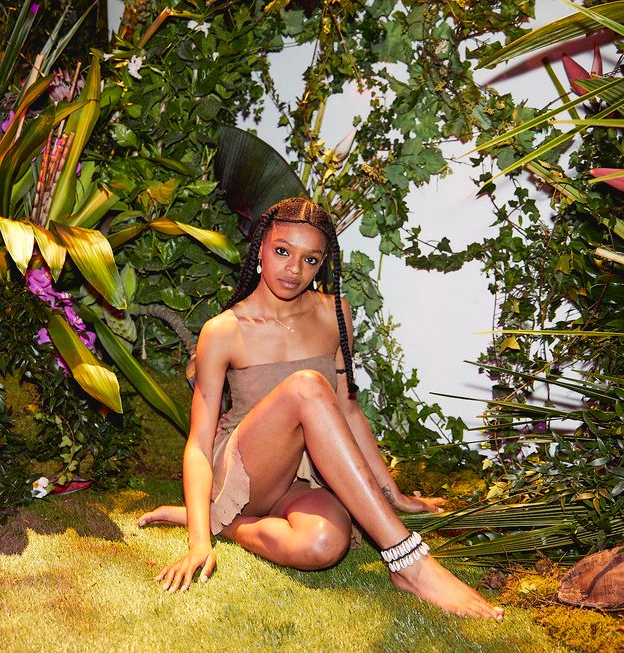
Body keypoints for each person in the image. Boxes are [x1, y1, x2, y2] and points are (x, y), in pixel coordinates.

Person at [138, 197, 503, 619]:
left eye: (310, 259)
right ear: (260, 247)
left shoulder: (335, 314)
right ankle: (409, 561)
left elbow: (348, 410)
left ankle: (229, 524)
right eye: (282, 251)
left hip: (303, 477)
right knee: (308, 387)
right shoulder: (224, 330)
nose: (294, 269)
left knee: (324, 545)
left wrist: (396, 495)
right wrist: (199, 542)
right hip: (244, 471)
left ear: (323, 264)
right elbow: (199, 443)